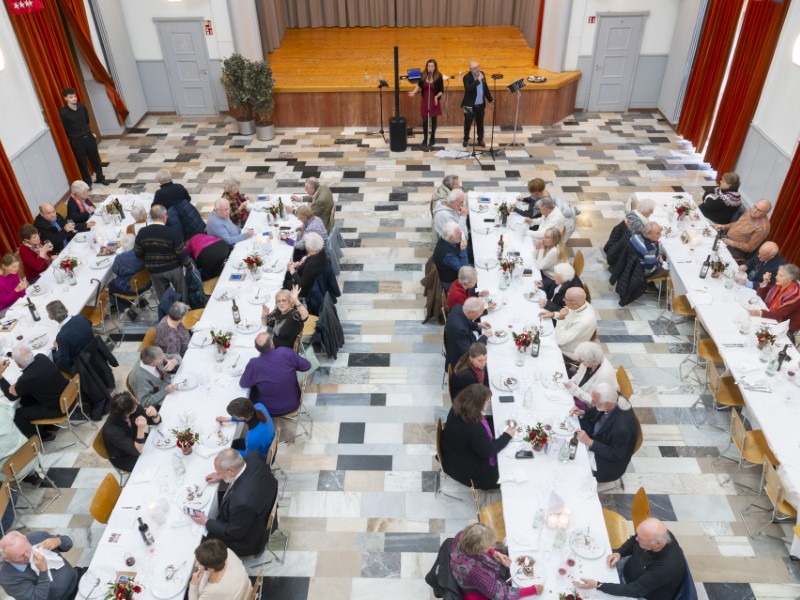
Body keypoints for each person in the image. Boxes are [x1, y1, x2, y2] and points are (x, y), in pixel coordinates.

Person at [189, 449, 277, 558]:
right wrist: (221, 476)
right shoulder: (254, 457)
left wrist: (206, 521)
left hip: (248, 539)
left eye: (220, 472)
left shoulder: (242, 502)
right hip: (260, 505)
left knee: (199, 540)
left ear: (231, 471)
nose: (218, 474)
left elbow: (234, 532)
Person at [574, 518, 686, 600]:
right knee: (585, 566)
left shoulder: (665, 568)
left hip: (642, 594)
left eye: (641, 539)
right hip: (628, 570)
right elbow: (633, 540)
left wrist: (598, 585)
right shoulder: (657, 535)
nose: (636, 539)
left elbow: (635, 590)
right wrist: (619, 553)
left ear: (657, 544)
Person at [441, 384, 515, 490]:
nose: (488, 402)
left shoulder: (456, 408)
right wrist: (506, 436)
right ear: (478, 404)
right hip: (467, 469)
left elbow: (481, 429)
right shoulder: (473, 428)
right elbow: (488, 452)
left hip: (452, 453)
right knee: (509, 467)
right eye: (487, 400)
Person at [450, 523, 543, 598]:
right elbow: (499, 594)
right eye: (489, 546)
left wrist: (493, 552)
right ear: (479, 551)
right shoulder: (476, 572)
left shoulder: (463, 534)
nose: (492, 546)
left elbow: (478, 543)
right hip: (477, 590)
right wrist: (532, 590)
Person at [569, 382, 637, 483]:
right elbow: (598, 408)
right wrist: (583, 412)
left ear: (607, 404)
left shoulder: (623, 428)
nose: (592, 402)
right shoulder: (613, 398)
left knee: (574, 463)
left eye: (594, 401)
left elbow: (616, 455)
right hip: (599, 434)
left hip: (608, 463)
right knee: (571, 428)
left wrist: (590, 442)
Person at [0, 346, 67, 439]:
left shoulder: (26, 379)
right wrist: (19, 384)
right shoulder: (41, 357)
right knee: (24, 399)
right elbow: (32, 378)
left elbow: (11, 396)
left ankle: (41, 437)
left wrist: (0, 376)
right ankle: (49, 425)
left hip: (59, 408)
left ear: (18, 364)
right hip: (66, 396)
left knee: (17, 414)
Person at [239, 332, 311, 416]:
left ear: (256, 348)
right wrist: (292, 366)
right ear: (272, 343)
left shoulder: (254, 364)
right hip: (294, 402)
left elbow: (243, 384)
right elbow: (307, 366)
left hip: (271, 410)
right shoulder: (285, 352)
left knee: (250, 393)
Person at [0, 530, 81, 600]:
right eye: (20, 556)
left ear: (26, 540)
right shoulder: (7, 579)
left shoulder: (37, 537)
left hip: (77, 577)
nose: (28, 556)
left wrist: (60, 540)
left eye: (27, 549)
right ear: (7, 559)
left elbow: (68, 544)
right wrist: (43, 571)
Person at [134, 205, 193, 301]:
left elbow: (137, 253)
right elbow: (181, 253)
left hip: (154, 269)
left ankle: (167, 313)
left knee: (164, 297)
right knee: (182, 291)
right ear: (164, 216)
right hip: (173, 268)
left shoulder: (142, 232)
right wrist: (189, 266)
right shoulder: (172, 232)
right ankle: (183, 310)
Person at [101, 391, 162, 472]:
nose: (138, 402)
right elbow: (137, 451)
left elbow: (155, 421)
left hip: (136, 440)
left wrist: (155, 414)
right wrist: (140, 429)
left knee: (161, 445)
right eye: (135, 405)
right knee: (154, 465)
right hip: (124, 457)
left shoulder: (132, 408)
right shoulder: (111, 430)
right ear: (127, 413)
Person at [58, 87, 106, 188]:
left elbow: (87, 121)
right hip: (77, 141)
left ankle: (100, 177)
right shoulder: (63, 113)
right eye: (71, 97)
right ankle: (88, 182)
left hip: (88, 137)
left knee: (96, 159)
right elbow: (65, 128)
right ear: (65, 98)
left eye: (75, 96)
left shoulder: (82, 107)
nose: (74, 98)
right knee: (82, 163)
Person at [749, 263, 800, 339]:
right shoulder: (781, 284)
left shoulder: (795, 294)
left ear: (790, 279)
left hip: (784, 327)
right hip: (771, 315)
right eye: (777, 274)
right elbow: (760, 293)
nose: (776, 277)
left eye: (780, 276)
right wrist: (765, 282)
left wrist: (760, 312)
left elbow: (778, 315)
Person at [564, 341, 618, 411]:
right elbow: (578, 375)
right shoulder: (589, 360)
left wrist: (574, 389)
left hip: (590, 407)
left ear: (594, 361)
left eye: (582, 361)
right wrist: (571, 381)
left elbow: (593, 402)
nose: (580, 362)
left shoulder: (604, 376)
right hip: (579, 393)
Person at [444, 297, 493, 370]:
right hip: (460, 361)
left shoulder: (459, 308)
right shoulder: (459, 329)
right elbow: (470, 352)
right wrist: (484, 337)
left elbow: (466, 322)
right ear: (472, 312)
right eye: (480, 313)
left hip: (461, 343)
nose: (480, 315)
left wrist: (478, 325)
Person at [552, 287, 597, 362]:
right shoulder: (581, 303)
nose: (563, 300)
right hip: (565, 335)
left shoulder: (584, 321)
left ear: (575, 303)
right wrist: (552, 314)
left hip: (568, 351)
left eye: (565, 299)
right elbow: (567, 313)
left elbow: (560, 340)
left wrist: (561, 318)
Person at [46, 300, 94, 372]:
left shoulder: (62, 336)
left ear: (50, 317)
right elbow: (89, 323)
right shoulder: (80, 317)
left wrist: (57, 349)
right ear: (66, 310)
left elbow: (64, 363)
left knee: (51, 357)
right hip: (94, 352)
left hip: (81, 365)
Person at [408, 58, 444, 147]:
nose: (430, 68)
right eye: (428, 66)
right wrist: (413, 92)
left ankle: (432, 136)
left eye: (432, 66)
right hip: (425, 100)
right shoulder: (423, 75)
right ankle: (425, 137)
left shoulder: (439, 77)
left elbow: (441, 91)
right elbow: (419, 86)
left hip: (434, 100)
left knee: (434, 119)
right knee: (425, 120)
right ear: (426, 67)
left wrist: (436, 97)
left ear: (435, 67)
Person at [109, 233, 148, 313]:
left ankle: (126, 309)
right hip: (147, 283)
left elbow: (115, 271)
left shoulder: (120, 258)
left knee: (108, 287)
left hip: (131, 289)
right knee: (136, 277)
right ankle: (141, 300)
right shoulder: (144, 252)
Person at [461, 60, 494, 147]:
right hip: (469, 105)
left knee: (480, 123)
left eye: (478, 67)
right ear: (470, 70)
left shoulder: (482, 74)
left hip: (480, 104)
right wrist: (478, 80)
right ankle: (465, 138)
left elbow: (485, 88)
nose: (477, 69)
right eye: (474, 68)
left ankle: (480, 139)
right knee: (467, 123)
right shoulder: (466, 78)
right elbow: (468, 89)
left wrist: (490, 99)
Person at [284, 232, 327, 299]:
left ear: (308, 247)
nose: (305, 245)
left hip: (305, 289)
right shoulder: (319, 250)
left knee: (284, 283)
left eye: (305, 243)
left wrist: (292, 270)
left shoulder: (312, 264)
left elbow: (302, 283)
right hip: (309, 278)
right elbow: (306, 258)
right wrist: (298, 263)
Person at [433, 222, 469, 292]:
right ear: (451, 238)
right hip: (452, 281)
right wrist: (463, 250)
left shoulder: (446, 238)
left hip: (457, 265)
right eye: (458, 234)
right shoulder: (447, 254)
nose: (461, 234)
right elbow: (464, 270)